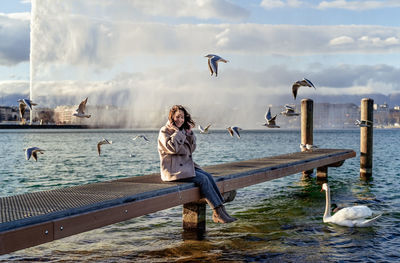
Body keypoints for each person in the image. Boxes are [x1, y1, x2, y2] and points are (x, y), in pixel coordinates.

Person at [157, 105, 236, 223]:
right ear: (172, 117)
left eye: (182, 117)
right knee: (203, 179)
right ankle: (217, 212)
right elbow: (172, 148)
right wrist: (178, 132)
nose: (180, 119)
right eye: (178, 116)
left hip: (183, 168)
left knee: (207, 176)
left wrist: (189, 134)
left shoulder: (182, 131)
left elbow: (191, 150)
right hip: (173, 171)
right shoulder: (165, 131)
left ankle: (221, 210)